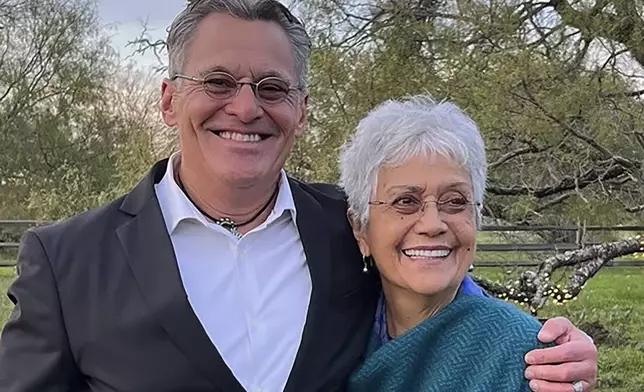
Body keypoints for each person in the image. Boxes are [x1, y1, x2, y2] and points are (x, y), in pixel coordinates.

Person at [0, 1, 597, 391]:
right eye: (216, 82)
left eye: (271, 86)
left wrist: (548, 347)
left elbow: (430, 279)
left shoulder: (348, 226)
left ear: (301, 110)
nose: (245, 106)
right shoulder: (66, 262)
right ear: (168, 99)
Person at [339, 95, 564, 392]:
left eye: (455, 201)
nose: (432, 224)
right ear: (360, 227)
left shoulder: (530, 358)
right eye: (406, 201)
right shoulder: (328, 336)